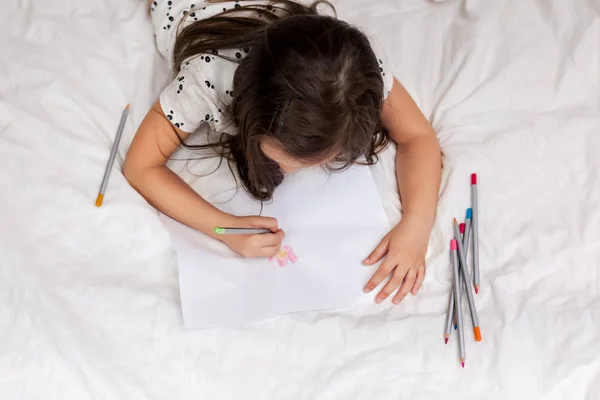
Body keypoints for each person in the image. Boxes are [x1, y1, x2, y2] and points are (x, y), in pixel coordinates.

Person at [124, 0, 442, 304]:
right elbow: (141, 167)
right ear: (247, 113)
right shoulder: (206, 80)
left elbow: (417, 135)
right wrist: (223, 228)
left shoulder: (354, 75)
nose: (292, 174)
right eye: (283, 161)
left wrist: (417, 224)